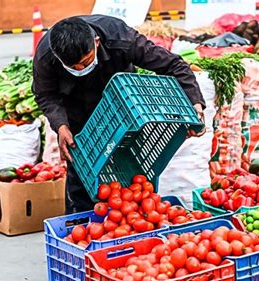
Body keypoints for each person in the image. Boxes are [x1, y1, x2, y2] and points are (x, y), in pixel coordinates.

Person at [32, 15, 206, 213]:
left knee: (125, 160)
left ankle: (126, 213)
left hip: (120, 106)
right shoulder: (46, 55)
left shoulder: (121, 39)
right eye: (73, 67)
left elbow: (173, 65)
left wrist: (195, 103)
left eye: (86, 61)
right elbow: (45, 94)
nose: (81, 69)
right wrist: (61, 126)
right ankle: (81, 221)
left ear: (96, 43)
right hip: (76, 109)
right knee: (81, 169)